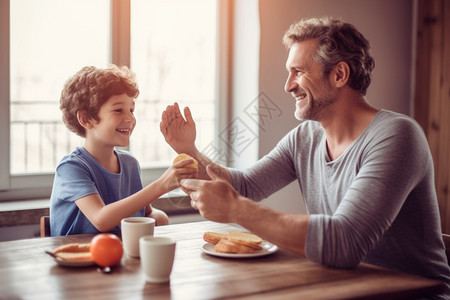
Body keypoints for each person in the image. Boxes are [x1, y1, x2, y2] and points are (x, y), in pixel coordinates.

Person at [160, 17, 450, 298]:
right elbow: (242, 186)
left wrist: (236, 209)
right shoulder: (305, 137)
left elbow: (345, 242)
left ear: (339, 75)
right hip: (345, 288)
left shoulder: (397, 136)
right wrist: (190, 151)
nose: (288, 85)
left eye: (298, 72)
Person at [50, 65, 197, 236]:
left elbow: (147, 212)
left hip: (118, 257)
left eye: (132, 110)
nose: (130, 118)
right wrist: (162, 185)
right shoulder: (71, 168)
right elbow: (101, 219)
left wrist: (157, 217)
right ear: (86, 119)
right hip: (77, 258)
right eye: (118, 110)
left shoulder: (130, 164)